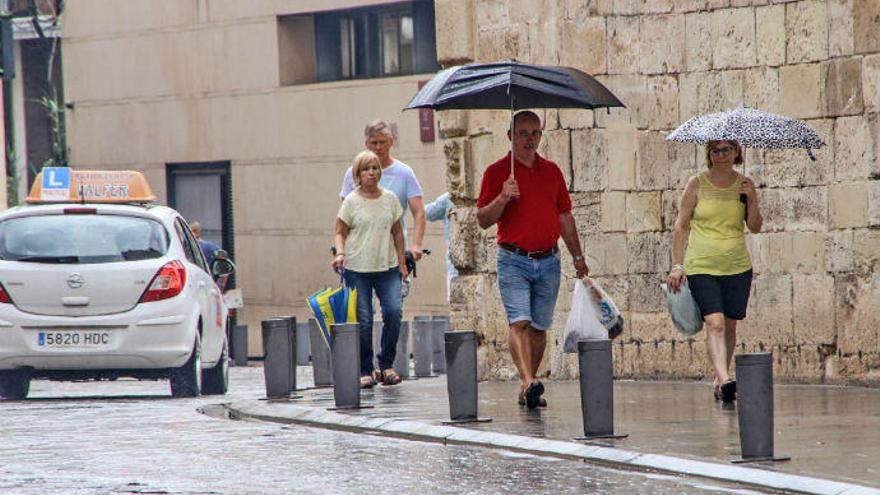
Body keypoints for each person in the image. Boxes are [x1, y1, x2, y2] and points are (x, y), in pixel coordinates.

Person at [476, 111, 589, 410]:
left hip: (549, 260)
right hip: (513, 259)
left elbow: (564, 216)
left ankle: (529, 383)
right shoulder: (496, 172)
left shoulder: (552, 172)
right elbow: (482, 220)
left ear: (540, 136)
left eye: (535, 133)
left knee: (539, 327)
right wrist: (502, 198)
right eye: (523, 133)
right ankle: (527, 380)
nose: (529, 139)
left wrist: (578, 257)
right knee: (520, 322)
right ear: (510, 136)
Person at [666, 140, 763, 404]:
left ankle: (719, 379)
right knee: (715, 323)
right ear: (709, 154)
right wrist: (677, 264)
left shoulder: (745, 185)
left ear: (737, 152)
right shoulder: (696, 184)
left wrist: (752, 200)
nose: (721, 155)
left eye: (727, 150)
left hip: (737, 266)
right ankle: (724, 379)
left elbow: (754, 226)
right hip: (702, 265)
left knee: (730, 324)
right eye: (716, 150)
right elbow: (681, 226)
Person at [332, 150, 408, 389]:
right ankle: (365, 369)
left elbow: (397, 232)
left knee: (394, 312)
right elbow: (339, 232)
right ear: (358, 174)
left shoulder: (390, 199)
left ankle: (386, 365)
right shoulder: (352, 202)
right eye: (366, 169)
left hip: (387, 266)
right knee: (364, 320)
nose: (372, 173)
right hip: (358, 267)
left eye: (375, 168)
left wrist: (402, 262)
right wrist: (341, 254)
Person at [340, 120, 426, 262]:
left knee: (398, 284)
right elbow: (344, 216)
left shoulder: (404, 173)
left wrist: (416, 244)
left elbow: (419, 212)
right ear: (366, 144)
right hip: (359, 253)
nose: (378, 147)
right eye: (374, 143)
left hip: (393, 252)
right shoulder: (352, 173)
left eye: (382, 142)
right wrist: (341, 249)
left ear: (391, 141)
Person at [425, 192, 457, 300]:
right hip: (454, 265)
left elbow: (427, 212)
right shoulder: (448, 199)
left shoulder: (448, 198)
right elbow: (427, 213)